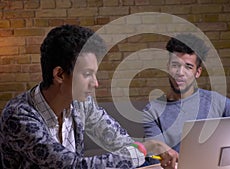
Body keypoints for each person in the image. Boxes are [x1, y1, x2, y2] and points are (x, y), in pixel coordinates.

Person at [0, 25, 177, 169]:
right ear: (60, 75)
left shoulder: (81, 104)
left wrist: (152, 151)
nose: (96, 83)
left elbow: (120, 143)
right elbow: (73, 166)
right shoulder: (19, 116)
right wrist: (146, 148)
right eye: (87, 74)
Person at [143, 34, 230, 157]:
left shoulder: (216, 101)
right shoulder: (152, 111)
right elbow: (157, 158)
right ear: (168, 67)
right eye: (175, 65)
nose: (180, 73)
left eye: (188, 67)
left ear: (197, 72)